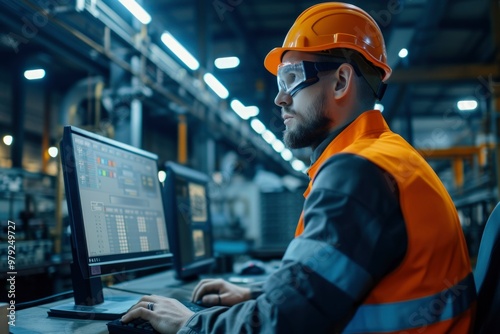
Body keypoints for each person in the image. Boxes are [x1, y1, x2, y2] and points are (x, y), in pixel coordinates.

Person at [121, 2, 476, 333]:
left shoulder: (359, 172)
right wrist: (257, 293)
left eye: (291, 77)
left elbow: (285, 323)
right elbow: (326, 286)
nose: (279, 98)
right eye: (280, 83)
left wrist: (191, 324)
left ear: (340, 81)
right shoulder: (383, 157)